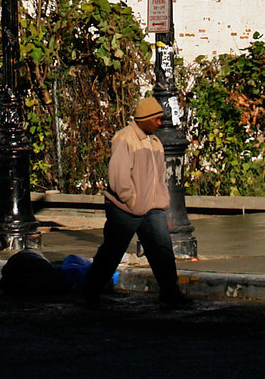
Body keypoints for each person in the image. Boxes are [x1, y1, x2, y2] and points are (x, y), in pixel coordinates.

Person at [79, 96, 189, 308]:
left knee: (163, 251)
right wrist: (132, 201)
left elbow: (158, 176)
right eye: (156, 119)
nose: (160, 123)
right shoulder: (125, 139)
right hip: (126, 209)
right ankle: (91, 289)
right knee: (112, 251)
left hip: (152, 207)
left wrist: (159, 199)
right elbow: (119, 177)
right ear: (145, 119)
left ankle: (170, 293)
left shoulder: (154, 142)